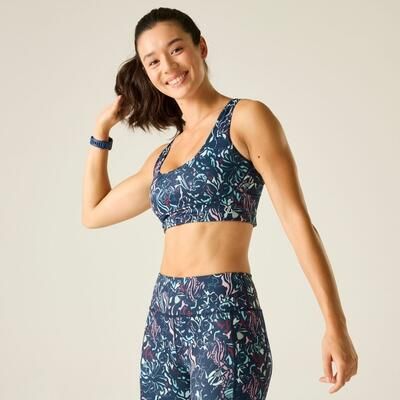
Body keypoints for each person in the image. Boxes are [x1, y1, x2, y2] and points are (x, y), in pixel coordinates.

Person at [81, 7, 358, 400]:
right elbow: (93, 213)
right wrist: (101, 131)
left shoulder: (246, 118)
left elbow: (297, 222)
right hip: (163, 318)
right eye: (153, 61)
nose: (168, 67)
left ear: (201, 47)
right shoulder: (163, 156)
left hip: (223, 312)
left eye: (176, 49)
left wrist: (335, 326)